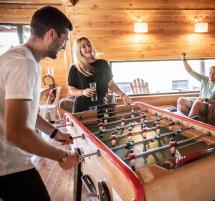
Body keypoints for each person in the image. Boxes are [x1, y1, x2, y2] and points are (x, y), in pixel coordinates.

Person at [0, 6, 80, 201]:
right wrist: (61, 156)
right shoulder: (23, 64)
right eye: (64, 40)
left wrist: (54, 133)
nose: (63, 47)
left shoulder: (19, 57)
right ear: (52, 34)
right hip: (8, 165)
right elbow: (16, 133)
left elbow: (24, 112)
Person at [68, 37, 132, 113]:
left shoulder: (103, 63)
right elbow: (71, 90)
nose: (88, 47)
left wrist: (123, 95)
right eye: (84, 46)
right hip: (82, 108)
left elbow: (111, 84)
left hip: (101, 105)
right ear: (78, 50)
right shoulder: (74, 67)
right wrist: (83, 92)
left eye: (89, 45)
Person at [177, 53, 215, 119]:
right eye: (210, 73)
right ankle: (191, 119)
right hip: (199, 101)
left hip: (207, 106)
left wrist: (206, 99)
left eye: (213, 73)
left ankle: (189, 121)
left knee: (197, 103)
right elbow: (190, 71)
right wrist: (184, 60)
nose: (211, 75)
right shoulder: (204, 79)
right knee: (181, 100)